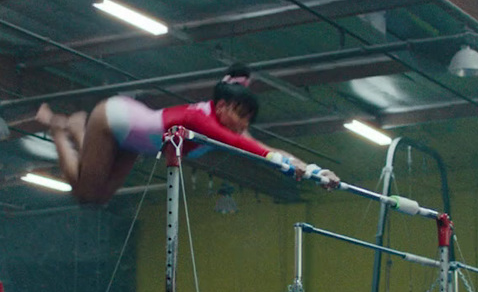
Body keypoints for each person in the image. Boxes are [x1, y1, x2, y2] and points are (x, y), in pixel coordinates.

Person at [36, 65, 337, 204]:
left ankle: (75, 128)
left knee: (99, 197)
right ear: (220, 106)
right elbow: (254, 149)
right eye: (240, 115)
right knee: (84, 192)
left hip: (133, 140)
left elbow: (259, 145)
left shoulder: (221, 119)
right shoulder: (202, 120)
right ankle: (65, 129)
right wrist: (291, 166)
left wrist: (314, 170)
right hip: (112, 120)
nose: (243, 125)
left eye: (248, 119)